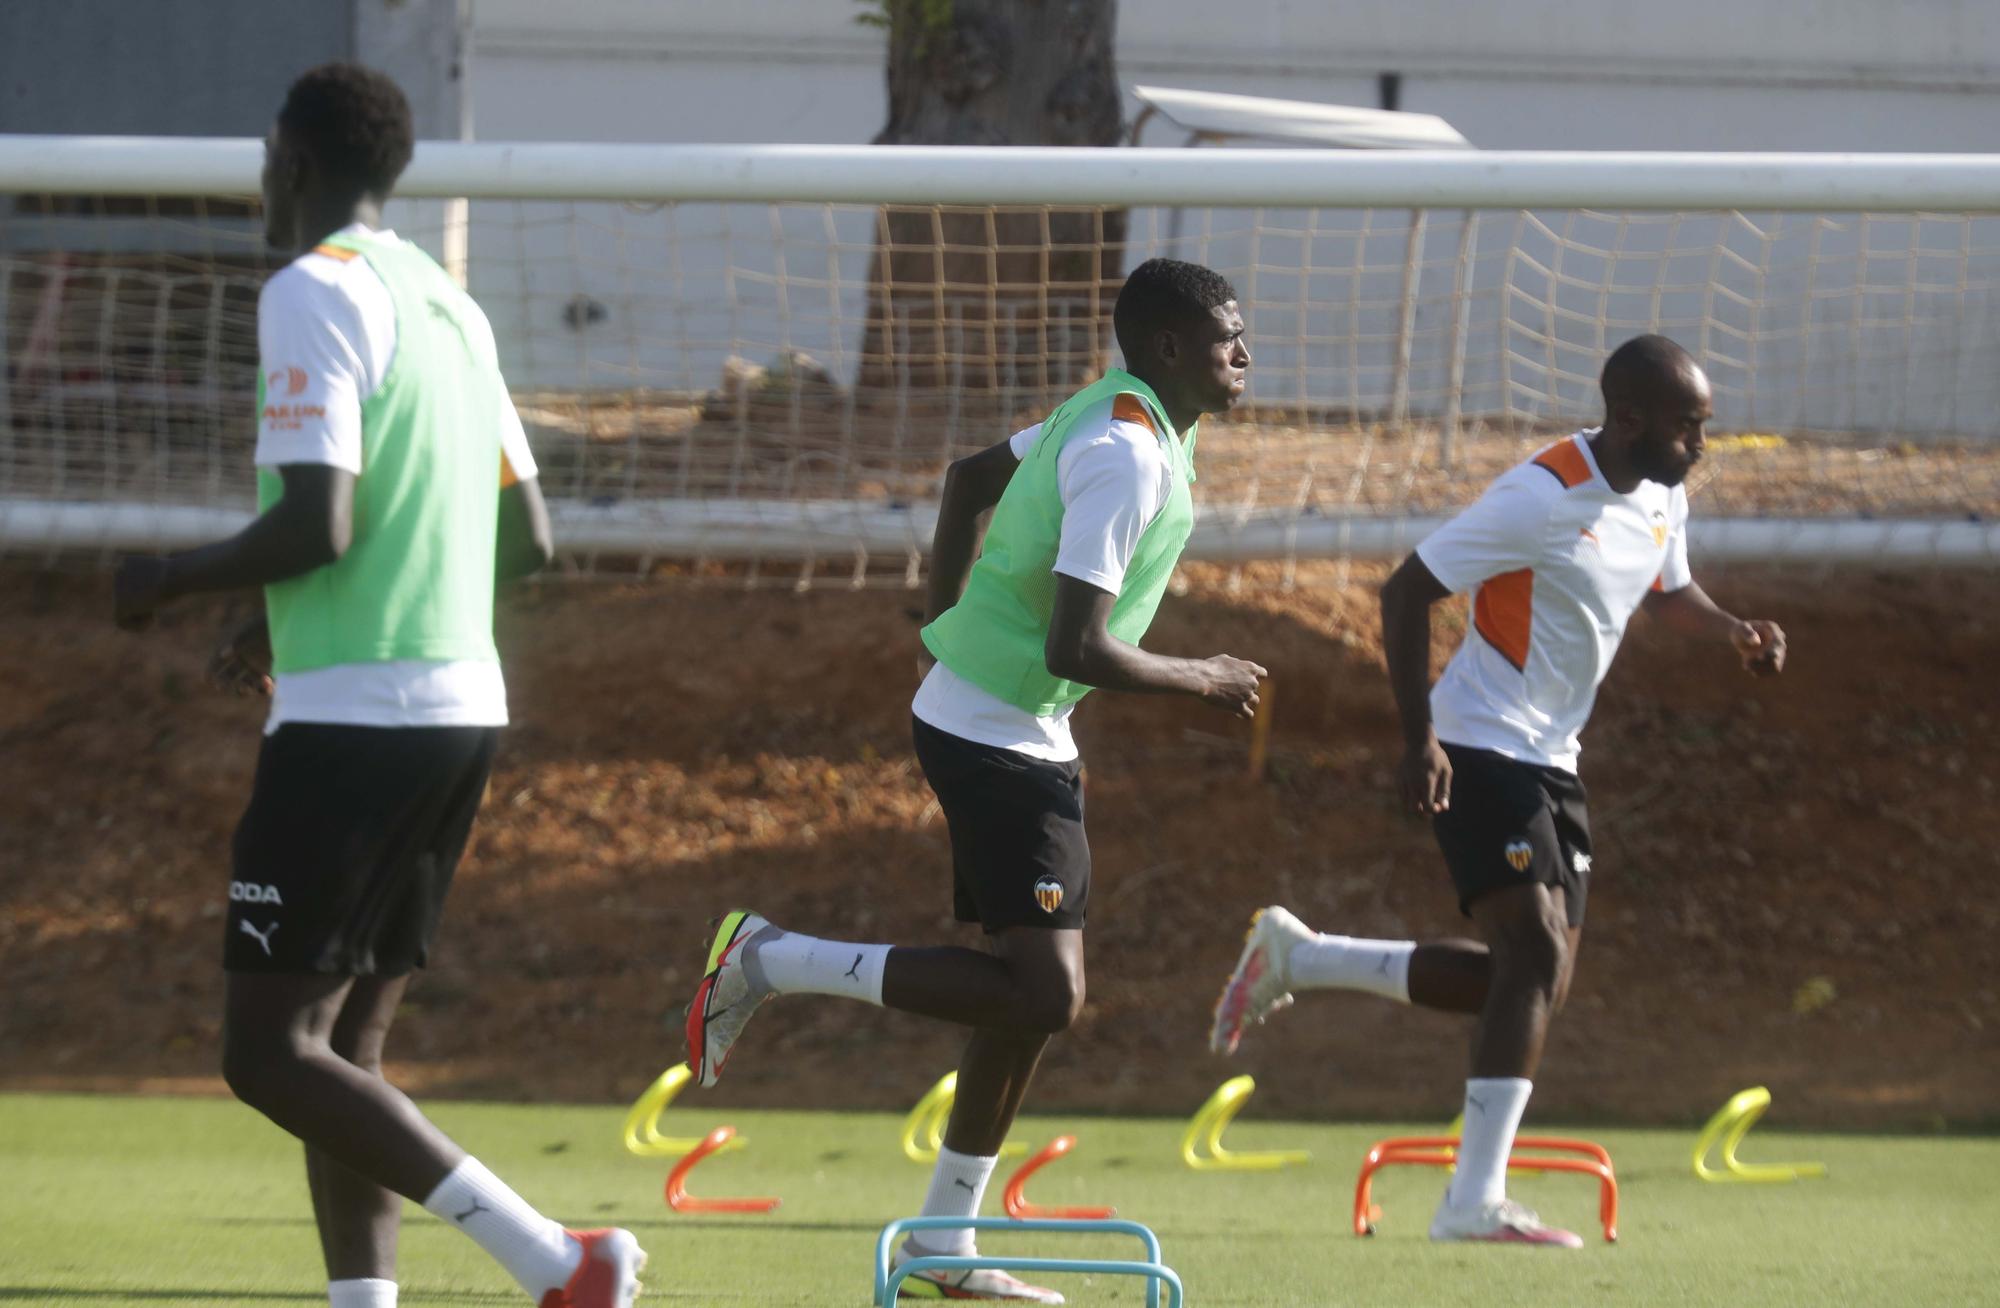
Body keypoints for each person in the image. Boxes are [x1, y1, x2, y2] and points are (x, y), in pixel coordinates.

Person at [112, 63, 644, 1308]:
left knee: (268, 1051)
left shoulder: (313, 289)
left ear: (289, 162)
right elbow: (532, 540)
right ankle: (367, 1303)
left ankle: (557, 1259)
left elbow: (319, 524)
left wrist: (167, 577)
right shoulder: (446, 302)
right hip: (458, 705)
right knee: (347, 1046)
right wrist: (280, 616)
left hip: (359, 717)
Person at [685, 258, 1264, 1301]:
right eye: (1230, 338)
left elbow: (966, 478)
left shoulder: (1119, 414)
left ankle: (944, 1243)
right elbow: (1078, 644)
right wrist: (1202, 676)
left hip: (1012, 725)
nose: (1245, 354)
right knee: (1045, 994)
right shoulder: (1120, 453)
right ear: (1171, 348)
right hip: (994, 735)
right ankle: (770, 961)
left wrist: (938, 619)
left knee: (1021, 1005)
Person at [1210, 334, 1788, 1247]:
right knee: (1535, 950)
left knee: (1536, 980)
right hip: (1478, 742)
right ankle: (1472, 1203)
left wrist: (1733, 630)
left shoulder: (1661, 491)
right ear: (1630, 419)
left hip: (1556, 758)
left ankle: (1303, 958)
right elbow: (1405, 591)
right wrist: (1419, 737)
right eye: (1688, 427)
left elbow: (1668, 592)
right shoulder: (1539, 496)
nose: (1700, 447)